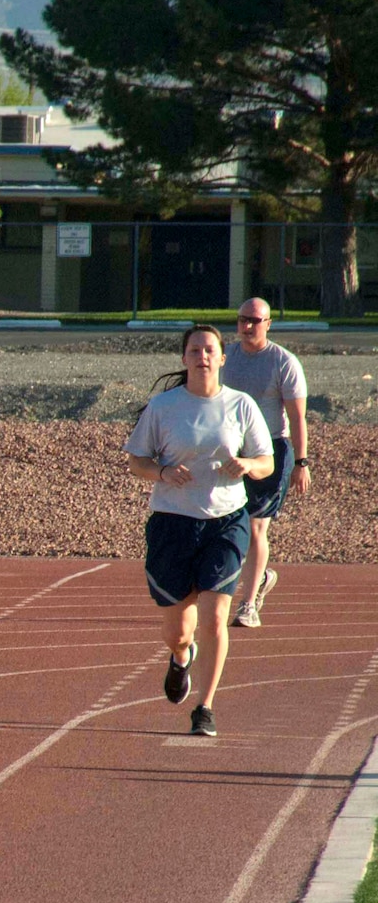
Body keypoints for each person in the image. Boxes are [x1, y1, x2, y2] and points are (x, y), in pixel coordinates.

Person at [125, 325, 273, 738]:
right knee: (179, 631)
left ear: (223, 358)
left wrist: (246, 465)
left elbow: (266, 462)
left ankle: (204, 707)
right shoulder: (164, 406)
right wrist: (163, 471)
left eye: (210, 349)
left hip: (225, 522)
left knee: (215, 619)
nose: (202, 356)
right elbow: (137, 462)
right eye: (195, 350)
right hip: (172, 523)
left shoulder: (241, 406)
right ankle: (180, 656)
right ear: (184, 358)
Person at [222, 298, 311, 627]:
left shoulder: (283, 362)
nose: (247, 327)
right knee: (229, 524)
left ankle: (247, 605)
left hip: (270, 451)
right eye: (243, 320)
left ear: (268, 324)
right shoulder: (225, 357)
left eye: (255, 321)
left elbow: (297, 417)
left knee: (257, 526)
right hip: (230, 450)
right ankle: (256, 578)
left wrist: (301, 462)